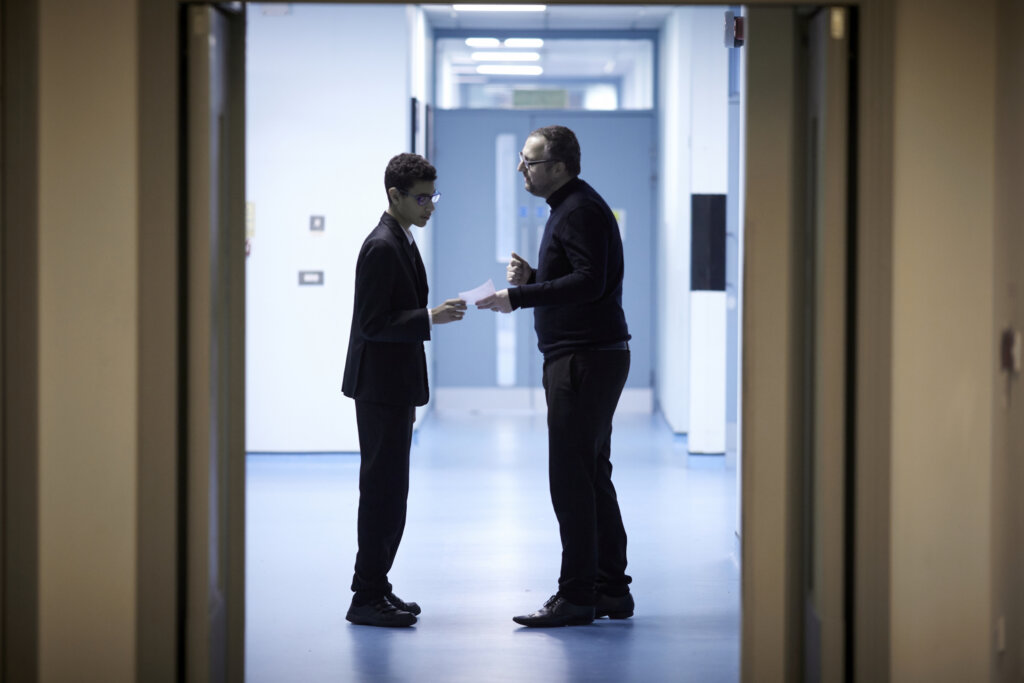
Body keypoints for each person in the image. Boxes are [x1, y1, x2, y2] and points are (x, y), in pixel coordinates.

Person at [477, 125, 634, 627]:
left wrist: (518, 296)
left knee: (571, 479)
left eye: (531, 161)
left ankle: (577, 596)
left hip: (584, 360)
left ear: (561, 166)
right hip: (588, 356)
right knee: (590, 476)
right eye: (522, 160)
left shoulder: (581, 210)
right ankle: (609, 590)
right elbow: (585, 278)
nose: (522, 168)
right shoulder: (570, 208)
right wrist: (537, 280)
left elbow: (589, 283)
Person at [342, 153, 466, 627]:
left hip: (393, 386)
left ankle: (377, 585)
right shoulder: (381, 247)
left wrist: (427, 315)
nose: (430, 206)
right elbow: (372, 324)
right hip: (379, 387)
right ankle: (365, 595)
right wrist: (429, 317)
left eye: (433, 196)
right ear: (394, 196)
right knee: (381, 491)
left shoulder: (402, 239)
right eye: (421, 198)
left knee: (392, 491)